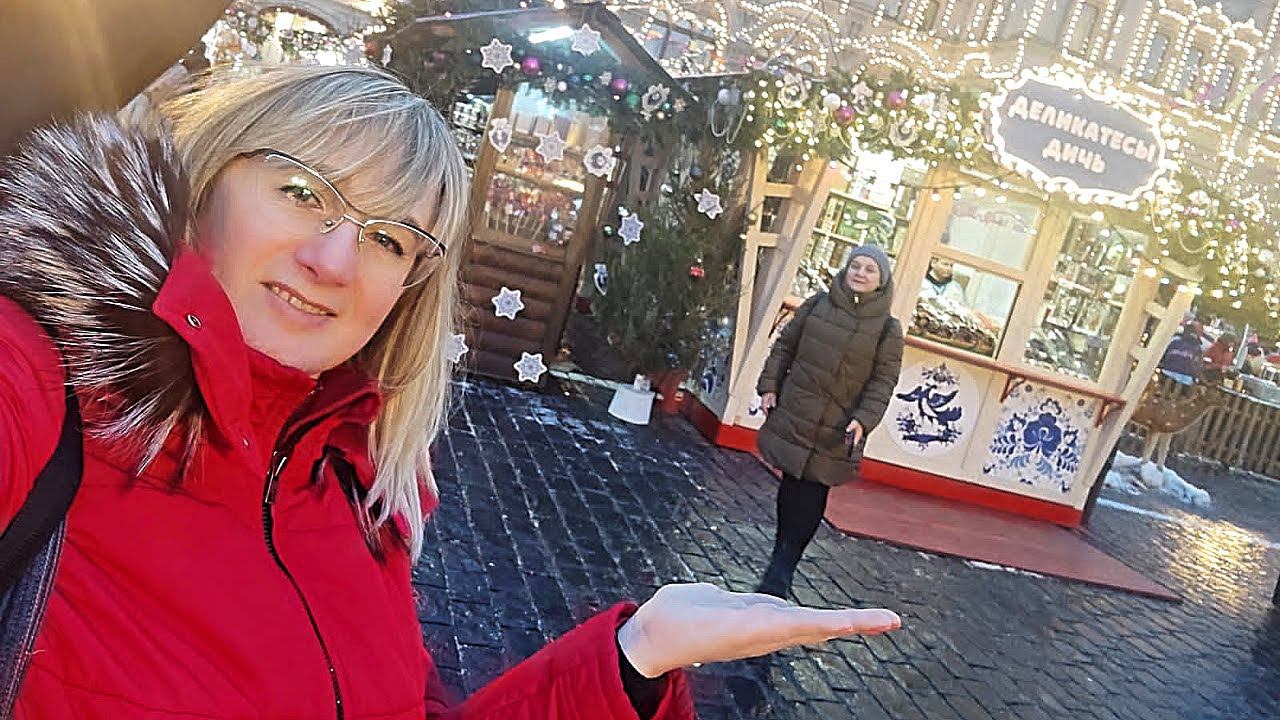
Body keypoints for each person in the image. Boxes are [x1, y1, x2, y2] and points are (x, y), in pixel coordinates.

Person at [0, 65, 901, 718]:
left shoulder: (353, 495)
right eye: (302, 191)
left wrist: (633, 659)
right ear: (206, 179)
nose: (333, 261)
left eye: (389, 239)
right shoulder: (38, 383)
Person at [754, 245, 904, 599]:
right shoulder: (817, 305)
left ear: (881, 280)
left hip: (838, 423)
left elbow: (883, 381)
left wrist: (864, 420)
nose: (860, 273)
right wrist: (769, 386)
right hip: (799, 410)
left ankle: (784, 566)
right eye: (856, 266)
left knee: (814, 488)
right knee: (792, 483)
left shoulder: (887, 330)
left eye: (870, 269)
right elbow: (785, 347)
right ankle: (780, 560)